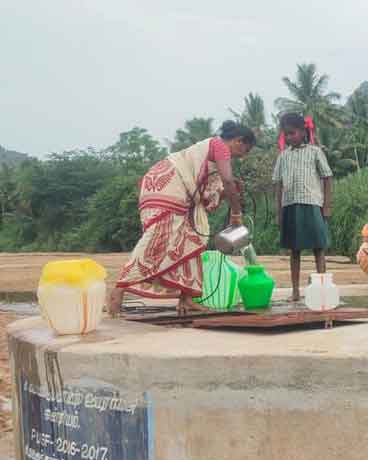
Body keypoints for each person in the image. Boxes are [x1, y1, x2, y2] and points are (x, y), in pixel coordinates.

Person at [109, 121, 255, 316]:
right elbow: (227, 181)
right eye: (246, 150)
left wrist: (227, 192)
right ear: (238, 141)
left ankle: (186, 299)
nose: (244, 156)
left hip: (169, 186)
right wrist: (236, 215)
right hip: (168, 186)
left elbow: (209, 194)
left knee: (192, 239)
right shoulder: (220, 147)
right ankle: (119, 290)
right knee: (159, 239)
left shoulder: (209, 150)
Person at [274, 113, 333, 302]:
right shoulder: (283, 156)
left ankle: (323, 288)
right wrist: (279, 212)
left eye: (292, 133)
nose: (289, 137)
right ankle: (295, 291)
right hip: (290, 205)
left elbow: (327, 177)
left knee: (318, 247)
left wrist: (326, 205)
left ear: (302, 132)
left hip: (312, 204)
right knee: (294, 250)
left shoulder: (315, 152)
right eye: (286, 135)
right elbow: (278, 184)